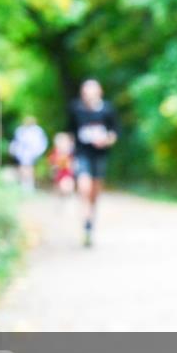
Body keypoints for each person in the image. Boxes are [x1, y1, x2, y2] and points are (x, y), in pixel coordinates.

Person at [67, 79, 119, 247]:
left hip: (99, 156)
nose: (88, 95)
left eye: (92, 92)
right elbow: (70, 133)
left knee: (94, 193)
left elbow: (114, 133)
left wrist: (106, 141)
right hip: (82, 154)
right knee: (84, 188)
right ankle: (85, 223)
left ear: (99, 92)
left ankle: (90, 221)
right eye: (86, 92)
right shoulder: (76, 109)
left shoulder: (107, 110)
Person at [9, 116, 48, 192]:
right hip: (22, 153)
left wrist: (38, 152)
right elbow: (16, 141)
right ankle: (23, 184)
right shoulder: (20, 130)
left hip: (32, 153)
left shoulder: (37, 131)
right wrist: (14, 150)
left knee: (30, 168)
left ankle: (30, 185)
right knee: (23, 167)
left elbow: (41, 142)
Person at [48, 131, 76, 197]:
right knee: (61, 189)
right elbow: (52, 165)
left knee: (68, 186)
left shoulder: (70, 153)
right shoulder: (55, 153)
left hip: (68, 174)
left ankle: (66, 196)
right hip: (59, 175)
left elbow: (73, 164)